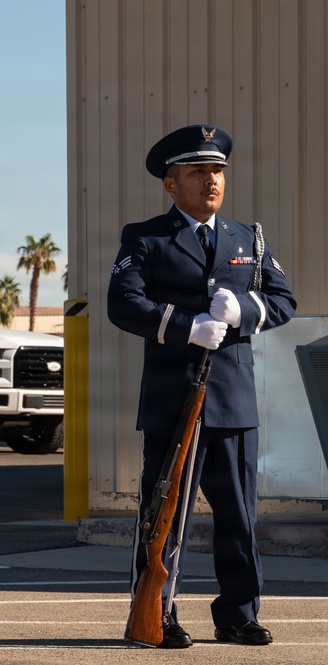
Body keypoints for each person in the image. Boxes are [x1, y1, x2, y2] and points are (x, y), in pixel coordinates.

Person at [107, 124, 295, 649]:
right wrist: (184, 325)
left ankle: (238, 613)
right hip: (174, 400)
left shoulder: (247, 237)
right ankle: (155, 612)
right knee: (166, 513)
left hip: (232, 401)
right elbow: (122, 303)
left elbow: (283, 299)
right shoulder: (144, 238)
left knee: (239, 516)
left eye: (217, 171)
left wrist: (245, 310)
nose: (212, 181)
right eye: (198, 172)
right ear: (171, 184)